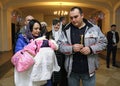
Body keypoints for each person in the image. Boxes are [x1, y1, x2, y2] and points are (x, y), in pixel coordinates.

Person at [57, 6, 107, 86]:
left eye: (76, 17)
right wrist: (72, 48)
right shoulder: (66, 30)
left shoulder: (94, 28)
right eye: (71, 18)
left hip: (89, 70)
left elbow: (104, 43)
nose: (73, 20)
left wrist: (91, 49)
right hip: (72, 70)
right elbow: (59, 46)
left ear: (82, 15)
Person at [14, 19, 42, 86]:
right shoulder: (22, 39)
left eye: (39, 28)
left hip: (37, 72)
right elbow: (18, 55)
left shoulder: (40, 39)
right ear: (30, 29)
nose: (38, 31)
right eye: (36, 28)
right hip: (25, 73)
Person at [46, 18, 67, 86]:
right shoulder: (48, 34)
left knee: (62, 73)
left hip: (62, 57)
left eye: (58, 25)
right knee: (53, 73)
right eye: (54, 25)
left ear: (60, 26)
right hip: (51, 57)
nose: (56, 26)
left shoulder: (63, 34)